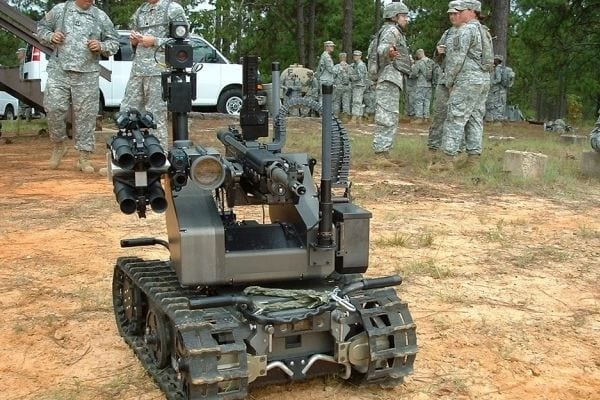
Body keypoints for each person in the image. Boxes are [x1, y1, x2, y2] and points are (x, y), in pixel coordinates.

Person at [38, 0, 119, 173]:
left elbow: (114, 44)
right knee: (53, 108)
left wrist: (101, 46)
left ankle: (84, 158)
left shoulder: (100, 16)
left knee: (86, 116)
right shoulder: (61, 10)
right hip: (59, 70)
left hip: (87, 73)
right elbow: (41, 29)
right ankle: (59, 145)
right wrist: (51, 37)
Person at [120, 0, 188, 150]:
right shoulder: (141, 10)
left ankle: (158, 156)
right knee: (127, 112)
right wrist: (134, 41)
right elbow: (136, 41)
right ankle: (126, 155)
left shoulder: (173, 9)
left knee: (155, 115)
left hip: (158, 72)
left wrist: (154, 41)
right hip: (138, 71)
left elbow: (182, 42)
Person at [435, 0, 492, 170]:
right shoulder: (484, 31)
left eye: (461, 10)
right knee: (475, 119)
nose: (457, 14)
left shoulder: (465, 30)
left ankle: (447, 160)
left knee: (455, 117)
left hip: (467, 80)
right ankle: (473, 160)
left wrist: (449, 81)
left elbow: (456, 59)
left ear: (472, 11)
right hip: (483, 79)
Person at [372, 1, 411, 158]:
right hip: (389, 76)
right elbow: (383, 48)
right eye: (404, 16)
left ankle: (384, 151)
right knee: (387, 115)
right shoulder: (391, 30)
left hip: (391, 77)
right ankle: (381, 153)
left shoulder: (392, 30)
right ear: (395, 17)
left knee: (389, 114)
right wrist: (389, 51)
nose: (407, 19)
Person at [428, 1, 463, 153]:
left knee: (458, 116)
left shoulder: (469, 31)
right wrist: (439, 52)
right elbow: (436, 58)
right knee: (439, 113)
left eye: (455, 14)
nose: (452, 17)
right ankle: (433, 147)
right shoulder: (447, 33)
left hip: (461, 81)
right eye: (450, 14)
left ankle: (459, 150)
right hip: (444, 79)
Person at [485, 54, 515, 122]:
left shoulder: (498, 68)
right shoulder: (502, 68)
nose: (493, 60)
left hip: (497, 90)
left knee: (495, 104)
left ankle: (495, 118)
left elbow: (498, 79)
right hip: (501, 90)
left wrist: (491, 82)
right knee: (499, 103)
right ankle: (495, 117)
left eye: (495, 59)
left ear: (497, 60)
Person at [409, 49, 434, 122]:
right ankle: (426, 117)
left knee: (419, 100)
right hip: (429, 84)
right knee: (427, 100)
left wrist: (411, 75)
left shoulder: (419, 62)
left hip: (421, 84)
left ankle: (419, 117)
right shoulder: (431, 61)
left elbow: (414, 73)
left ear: (419, 54)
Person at [349, 50, 367, 124]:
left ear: (360, 56)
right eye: (354, 55)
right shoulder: (355, 64)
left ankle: (354, 118)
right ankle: (359, 118)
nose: (355, 56)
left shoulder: (360, 65)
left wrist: (351, 77)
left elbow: (360, 76)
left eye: (357, 55)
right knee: (358, 102)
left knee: (356, 101)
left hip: (359, 85)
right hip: (358, 84)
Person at [315, 40, 335, 105]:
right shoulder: (326, 56)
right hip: (326, 80)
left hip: (324, 79)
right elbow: (330, 69)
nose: (333, 47)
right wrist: (339, 68)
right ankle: (324, 113)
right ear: (327, 47)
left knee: (323, 97)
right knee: (325, 98)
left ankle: (323, 112)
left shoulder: (324, 55)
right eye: (331, 46)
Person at [333, 52, 352, 117]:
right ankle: (345, 117)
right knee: (346, 102)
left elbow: (333, 76)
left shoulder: (336, 67)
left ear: (339, 58)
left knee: (336, 102)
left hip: (338, 87)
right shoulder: (349, 67)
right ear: (345, 58)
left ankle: (335, 116)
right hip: (347, 87)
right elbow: (352, 77)